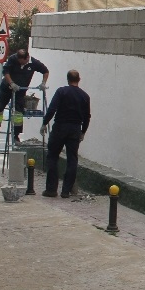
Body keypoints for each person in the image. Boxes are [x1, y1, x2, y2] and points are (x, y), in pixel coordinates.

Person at [40, 70, 90, 199]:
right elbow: (87, 116)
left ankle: (51, 189)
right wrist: (83, 131)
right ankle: (66, 191)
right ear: (79, 79)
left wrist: (45, 123)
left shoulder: (61, 91)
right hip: (75, 129)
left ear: (67, 79)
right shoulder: (85, 96)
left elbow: (52, 108)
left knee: (52, 156)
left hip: (60, 127)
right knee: (72, 159)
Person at [0, 49, 49, 144]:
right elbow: (6, 72)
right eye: (19, 61)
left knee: (18, 113)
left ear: (27, 58)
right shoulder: (13, 59)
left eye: (22, 61)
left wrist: (43, 83)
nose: (20, 63)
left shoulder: (34, 63)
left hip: (20, 91)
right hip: (7, 88)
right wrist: (11, 83)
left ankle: (16, 136)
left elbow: (45, 71)